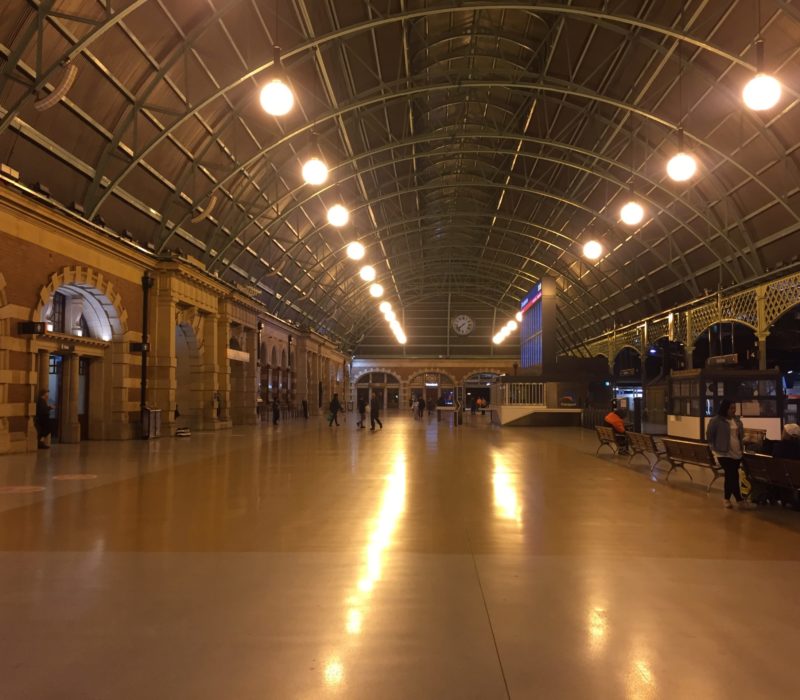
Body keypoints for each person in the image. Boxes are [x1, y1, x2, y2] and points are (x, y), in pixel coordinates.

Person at [707, 399, 754, 509]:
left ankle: (726, 499)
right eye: (731, 408)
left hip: (736, 453)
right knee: (732, 474)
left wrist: (745, 440)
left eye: (734, 408)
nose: (734, 410)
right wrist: (715, 449)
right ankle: (739, 500)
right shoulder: (716, 421)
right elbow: (710, 436)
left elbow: (739, 436)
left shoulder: (737, 421)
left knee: (730, 476)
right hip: (723, 453)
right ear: (725, 408)